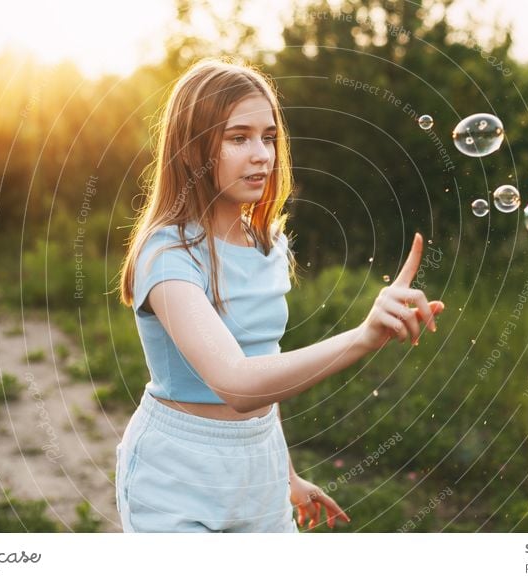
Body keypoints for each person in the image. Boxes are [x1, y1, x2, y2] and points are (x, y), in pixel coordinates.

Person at [116, 57, 444, 533]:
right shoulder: (166, 256)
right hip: (178, 473)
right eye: (238, 137)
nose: (262, 154)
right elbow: (237, 383)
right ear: (191, 152)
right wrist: (364, 335)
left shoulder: (267, 244)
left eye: (268, 137)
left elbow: (262, 364)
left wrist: (284, 473)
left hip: (260, 464)